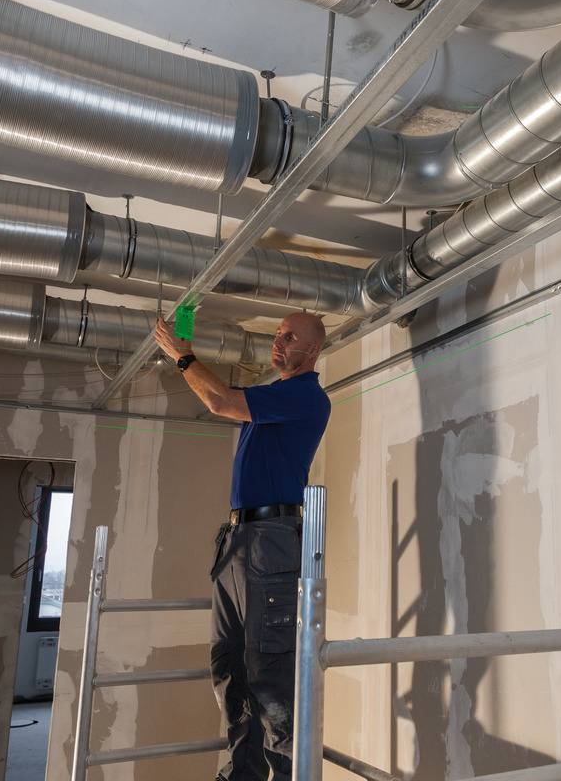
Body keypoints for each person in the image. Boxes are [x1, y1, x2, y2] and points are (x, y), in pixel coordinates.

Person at [154, 311, 331, 781]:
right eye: (277, 334)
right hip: (238, 540)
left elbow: (219, 402)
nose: (279, 341)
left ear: (312, 350)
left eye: (290, 336)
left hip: (272, 544)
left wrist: (182, 356)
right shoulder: (273, 398)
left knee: (271, 673)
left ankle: (291, 771)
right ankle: (243, 773)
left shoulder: (306, 397)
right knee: (229, 667)